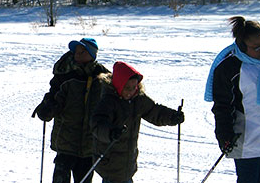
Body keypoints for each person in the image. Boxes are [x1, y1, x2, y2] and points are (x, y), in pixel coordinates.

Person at [204, 16, 260, 183]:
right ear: (242, 46)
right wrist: (224, 134)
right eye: (256, 47)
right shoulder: (230, 67)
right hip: (247, 141)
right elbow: (223, 106)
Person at [90, 61, 184, 183]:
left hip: (128, 161)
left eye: (134, 87)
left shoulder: (138, 99)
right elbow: (98, 124)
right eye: (127, 88)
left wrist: (172, 117)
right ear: (119, 85)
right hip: (109, 160)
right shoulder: (108, 101)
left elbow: (153, 111)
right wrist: (111, 132)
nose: (131, 91)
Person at [34, 38, 110, 183]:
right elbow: (54, 96)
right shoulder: (64, 74)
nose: (78, 54)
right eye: (76, 51)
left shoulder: (102, 77)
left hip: (89, 143)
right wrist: (48, 107)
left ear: (92, 55)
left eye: (82, 51)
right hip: (66, 140)